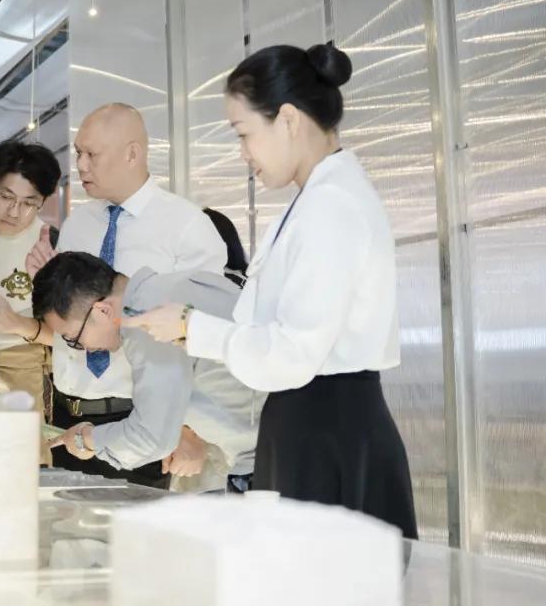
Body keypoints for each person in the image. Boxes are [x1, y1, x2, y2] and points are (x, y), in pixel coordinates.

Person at [124, 44, 417, 538]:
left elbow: (292, 351)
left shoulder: (331, 207)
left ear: (288, 119)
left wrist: (192, 327)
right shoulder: (317, 199)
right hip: (315, 425)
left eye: (244, 133)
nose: (243, 153)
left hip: (327, 429)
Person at [25, 103, 226, 488]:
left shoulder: (186, 227)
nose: (80, 165)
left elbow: (205, 336)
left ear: (132, 153)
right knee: (67, 525)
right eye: (78, 153)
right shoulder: (77, 224)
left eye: (91, 154)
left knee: (132, 527)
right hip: (69, 419)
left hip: (141, 421)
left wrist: (188, 428)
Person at [32, 252, 258, 487]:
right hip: (267, 442)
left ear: (103, 310)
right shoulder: (166, 289)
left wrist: (86, 439)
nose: (83, 348)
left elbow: (151, 438)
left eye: (73, 338)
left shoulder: (146, 318)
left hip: (267, 450)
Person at [0, 141, 60, 452]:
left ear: (42, 202)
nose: (14, 212)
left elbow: (68, 338)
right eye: (5, 197)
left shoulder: (51, 246)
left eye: (29, 203)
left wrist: (17, 323)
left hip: (21, 379)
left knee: (20, 465)